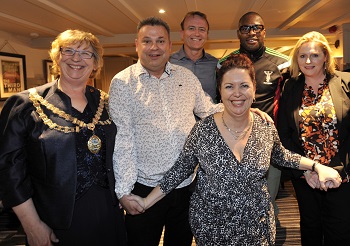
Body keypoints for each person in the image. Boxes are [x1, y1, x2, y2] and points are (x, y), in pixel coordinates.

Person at [128, 53, 342, 246]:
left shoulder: (264, 126)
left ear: (254, 89)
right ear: (219, 91)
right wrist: (146, 201)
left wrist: (316, 166)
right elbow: (179, 171)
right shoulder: (203, 130)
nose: (237, 94)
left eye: (244, 86)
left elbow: (281, 155)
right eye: (229, 86)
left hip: (257, 228)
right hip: (212, 229)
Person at [108, 17, 272, 246]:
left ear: (170, 45)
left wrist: (248, 111)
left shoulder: (185, 77)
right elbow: (122, 140)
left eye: (160, 41)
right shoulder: (122, 83)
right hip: (146, 187)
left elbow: (209, 109)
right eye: (147, 41)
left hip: (187, 184)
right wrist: (123, 192)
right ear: (137, 44)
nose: (154, 47)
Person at [0, 29, 127, 246]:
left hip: (108, 213)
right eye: (69, 51)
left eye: (86, 53)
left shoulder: (107, 103)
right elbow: (9, 171)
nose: (76, 58)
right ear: (57, 57)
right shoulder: (26, 104)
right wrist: (32, 225)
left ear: (95, 63)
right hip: (54, 220)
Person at [277, 31, 350, 245]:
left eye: (315, 55)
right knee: (310, 228)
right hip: (307, 175)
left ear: (325, 57)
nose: (308, 61)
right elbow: (285, 133)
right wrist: (305, 171)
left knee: (341, 230)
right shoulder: (290, 87)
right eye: (302, 56)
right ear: (296, 59)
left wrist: (343, 169)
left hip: (341, 175)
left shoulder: (344, 82)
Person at [218, 11, 290, 221]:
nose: (252, 32)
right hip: (233, 143)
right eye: (246, 28)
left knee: (267, 202)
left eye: (256, 27)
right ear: (238, 33)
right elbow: (219, 100)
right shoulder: (225, 63)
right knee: (234, 203)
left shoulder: (282, 63)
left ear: (264, 31)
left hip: (268, 143)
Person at [170, 11, 218, 102]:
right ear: (182, 33)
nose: (197, 33)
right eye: (191, 28)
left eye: (202, 29)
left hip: (211, 116)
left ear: (207, 35)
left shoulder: (216, 65)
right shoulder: (168, 63)